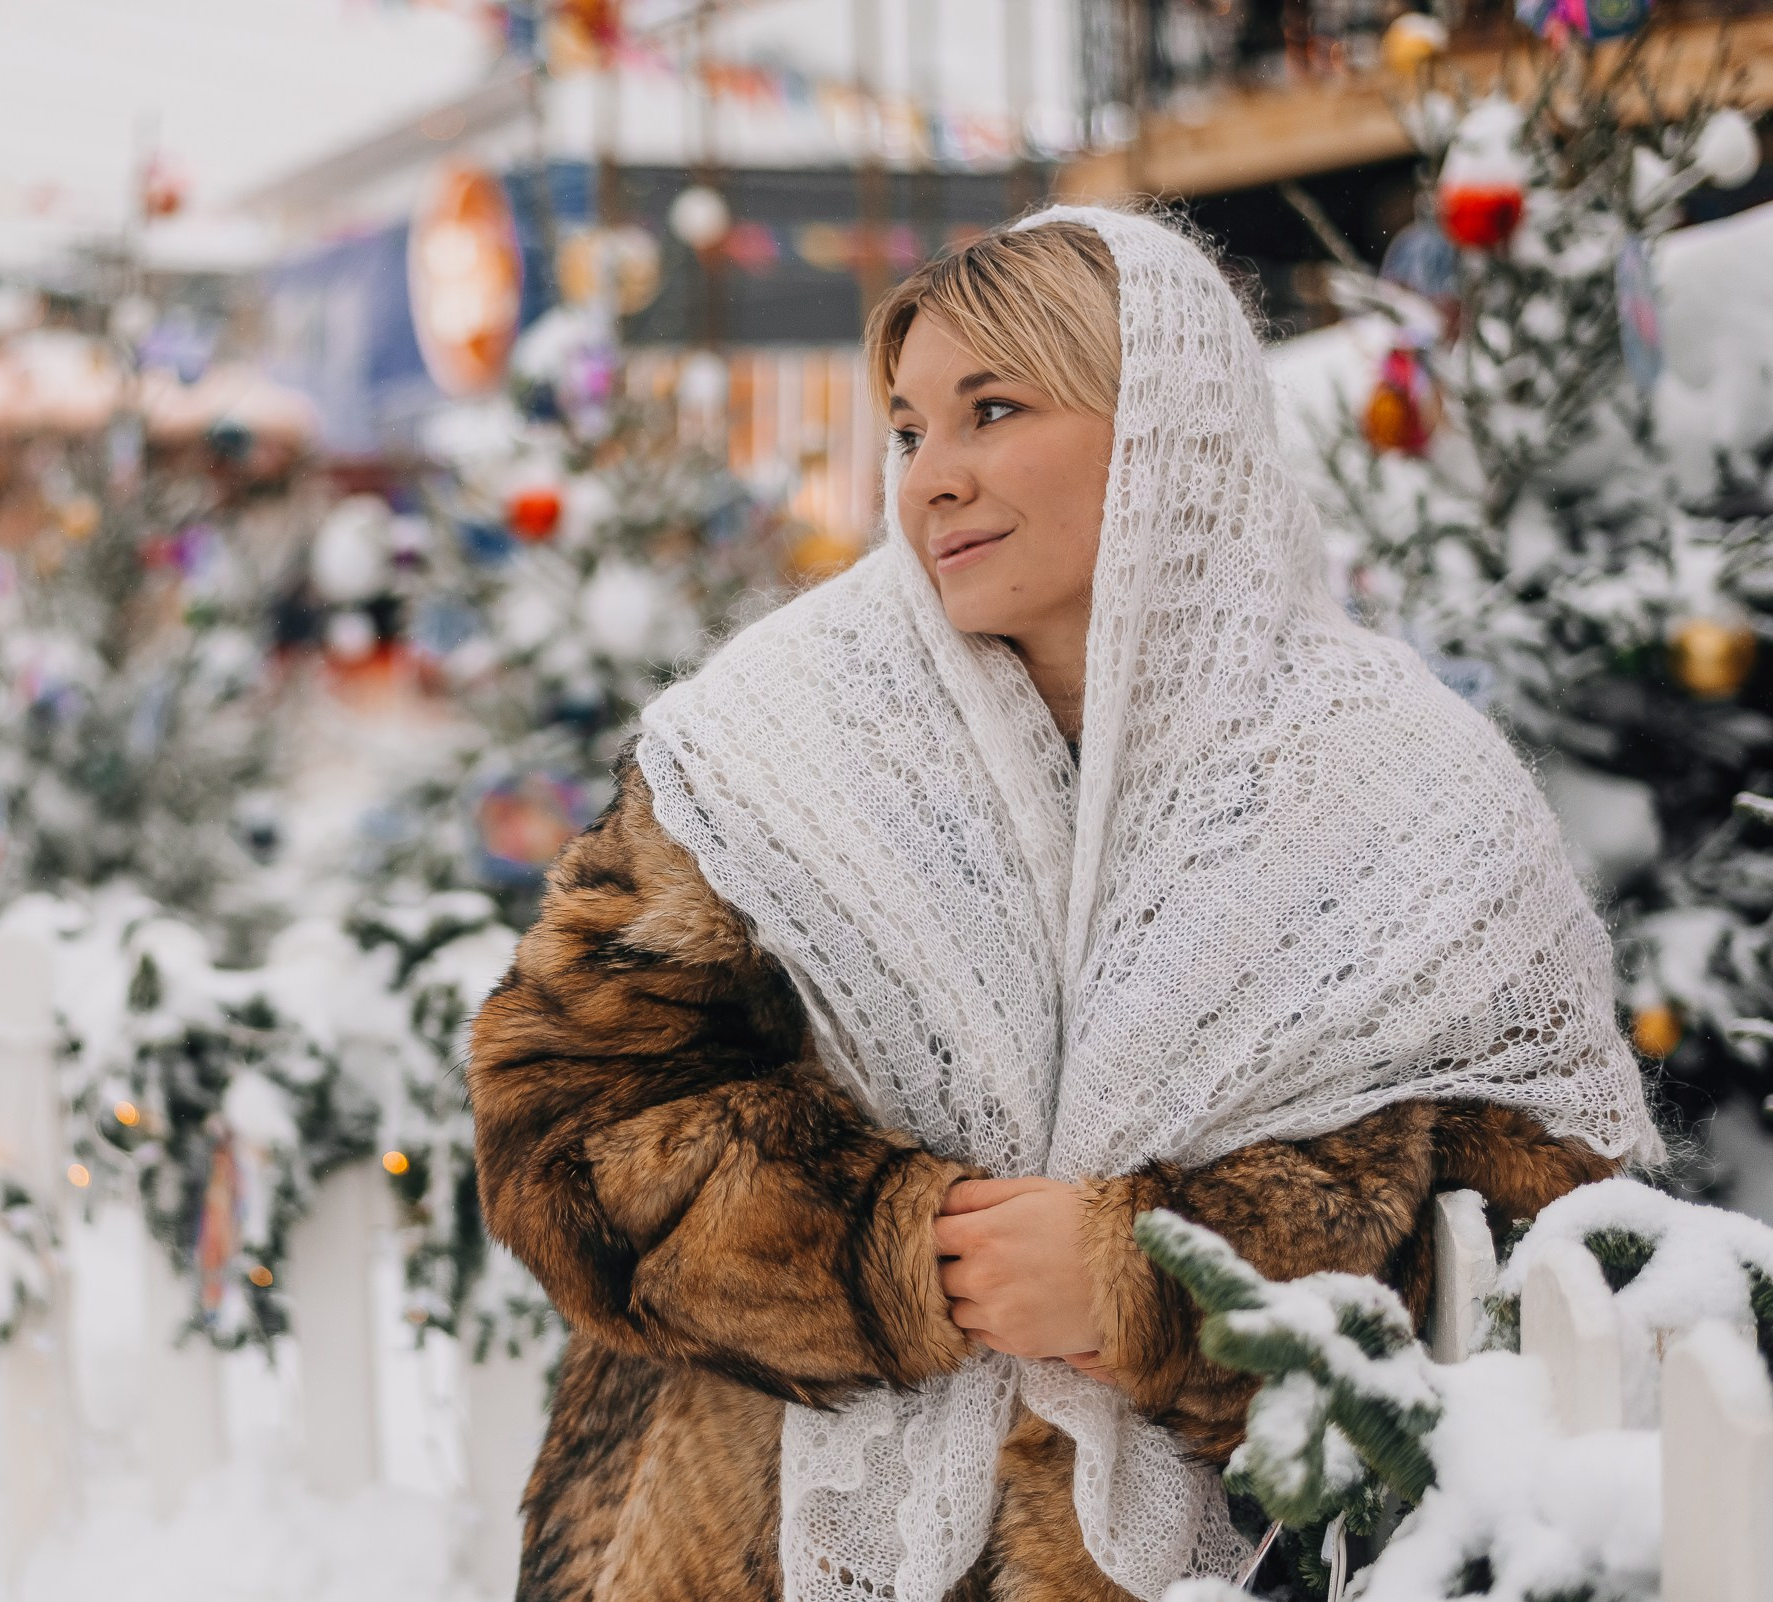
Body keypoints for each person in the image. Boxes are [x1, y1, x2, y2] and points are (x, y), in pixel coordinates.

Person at [464, 206, 1658, 1602]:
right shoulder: (766, 749)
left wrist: (1153, 1283)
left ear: (1163, 428)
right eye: (910, 430)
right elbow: (561, 1126)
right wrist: (906, 1249)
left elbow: (1534, 1239)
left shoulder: (1398, 782)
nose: (932, 480)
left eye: (992, 409)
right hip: (741, 1540)